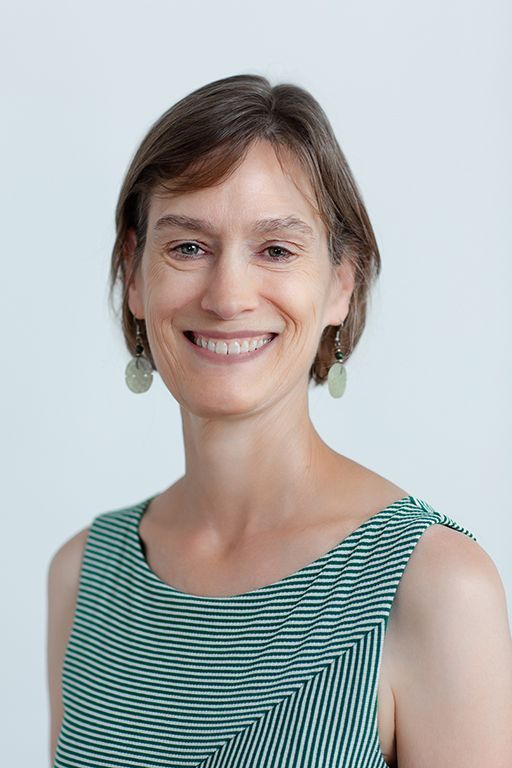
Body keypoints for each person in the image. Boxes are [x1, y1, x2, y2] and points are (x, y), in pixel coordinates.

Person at [47, 73, 512, 768]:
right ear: (134, 275)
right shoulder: (83, 575)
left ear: (341, 283)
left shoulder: (436, 588)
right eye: (188, 247)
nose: (229, 295)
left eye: (276, 249)